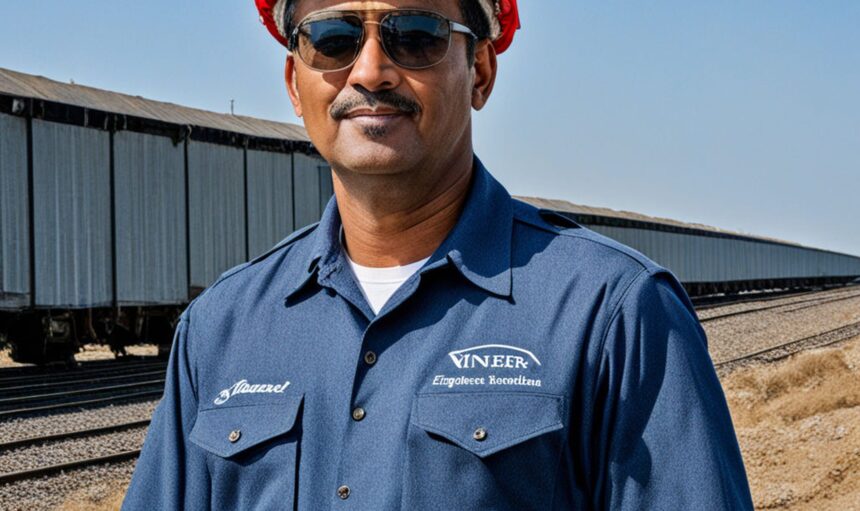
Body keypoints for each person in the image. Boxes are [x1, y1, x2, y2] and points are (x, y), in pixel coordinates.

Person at [123, 0, 754, 509]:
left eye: (417, 35)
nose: (370, 71)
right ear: (296, 82)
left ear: (479, 71)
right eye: (333, 38)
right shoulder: (221, 327)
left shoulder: (614, 314)